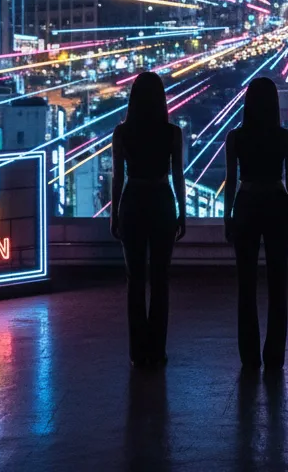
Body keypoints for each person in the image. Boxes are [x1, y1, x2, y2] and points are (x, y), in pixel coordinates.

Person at [110, 71, 186, 369]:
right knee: (160, 279)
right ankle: (157, 349)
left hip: (133, 201)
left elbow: (118, 178)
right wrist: (183, 211)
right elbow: (177, 176)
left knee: (135, 280)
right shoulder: (172, 133)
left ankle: (136, 351)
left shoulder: (122, 132)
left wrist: (115, 214)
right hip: (162, 201)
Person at [224, 77, 288, 370]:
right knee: (278, 285)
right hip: (277, 204)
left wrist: (227, 217)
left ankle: (249, 356)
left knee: (246, 284)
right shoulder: (286, 137)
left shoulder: (236, 137)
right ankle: (275, 356)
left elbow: (232, 181)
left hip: (246, 204)